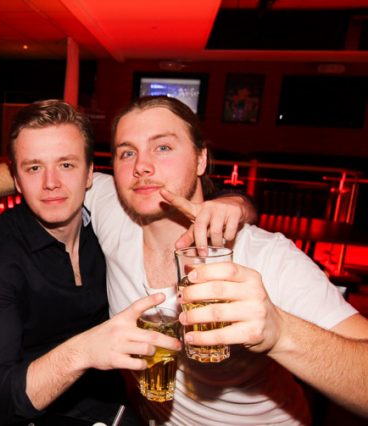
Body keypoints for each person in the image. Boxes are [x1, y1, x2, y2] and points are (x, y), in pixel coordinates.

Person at [83, 95, 368, 424]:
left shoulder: (264, 256)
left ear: (201, 159)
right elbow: (44, 174)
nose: (141, 166)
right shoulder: (112, 210)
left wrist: (281, 333)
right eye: (127, 152)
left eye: (163, 147)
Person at [0, 100, 180, 425]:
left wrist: (235, 203)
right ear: (16, 179)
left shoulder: (112, 219)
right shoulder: (0, 252)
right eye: (34, 168)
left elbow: (199, 198)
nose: (51, 182)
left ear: (90, 173)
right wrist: (84, 352)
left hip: (119, 408)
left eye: (66, 165)